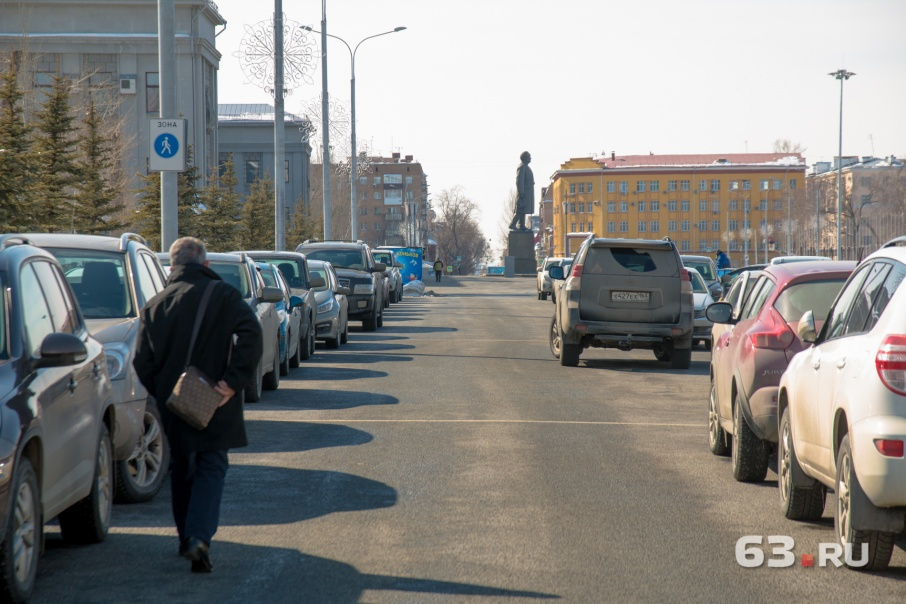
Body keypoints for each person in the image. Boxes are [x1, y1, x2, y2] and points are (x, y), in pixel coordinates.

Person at [133, 237, 262, 573]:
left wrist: (164, 394)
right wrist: (232, 383)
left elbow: (141, 360)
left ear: (172, 268)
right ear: (205, 265)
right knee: (211, 466)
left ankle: (185, 539)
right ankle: (199, 538)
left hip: (174, 404)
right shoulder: (223, 295)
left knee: (181, 468)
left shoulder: (156, 304)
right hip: (215, 400)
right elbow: (252, 332)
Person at [508, 151, 534, 231]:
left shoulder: (525, 167)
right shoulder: (522, 167)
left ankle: (522, 225)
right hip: (524, 193)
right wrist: (521, 193)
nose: (530, 158)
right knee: (520, 210)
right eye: (529, 157)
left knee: (523, 210)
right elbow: (519, 181)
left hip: (527, 193)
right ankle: (512, 224)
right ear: (525, 158)